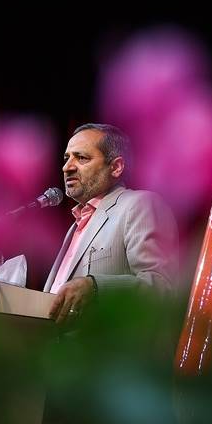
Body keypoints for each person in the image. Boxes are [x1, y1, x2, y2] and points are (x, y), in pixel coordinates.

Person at [45, 123, 178, 323]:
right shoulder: (74, 227)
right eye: (66, 158)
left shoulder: (139, 205)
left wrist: (95, 287)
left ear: (116, 167)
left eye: (81, 158)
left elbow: (161, 287)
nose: (67, 167)